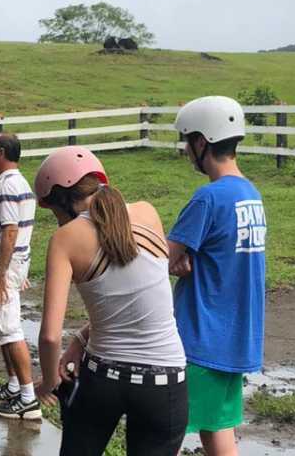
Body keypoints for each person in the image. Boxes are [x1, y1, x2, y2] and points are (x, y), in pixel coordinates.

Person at [33, 146, 188, 456]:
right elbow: (134, 300)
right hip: (164, 379)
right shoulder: (148, 211)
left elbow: (50, 336)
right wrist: (79, 338)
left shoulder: (66, 239)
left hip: (102, 378)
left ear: (62, 200)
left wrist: (50, 381)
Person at [167, 96, 267, 456]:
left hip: (200, 338)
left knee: (165, 431)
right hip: (237, 338)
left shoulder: (208, 198)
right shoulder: (250, 193)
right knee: (218, 430)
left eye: (187, 140)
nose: (186, 149)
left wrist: (177, 257)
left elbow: (165, 259)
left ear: (201, 142)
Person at [0, 134, 41, 420]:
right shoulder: (19, 183)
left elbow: (11, 230)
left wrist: (3, 274)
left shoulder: (7, 185)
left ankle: (28, 398)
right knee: (3, 327)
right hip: (14, 263)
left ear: (1, 152)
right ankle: (15, 385)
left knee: (10, 330)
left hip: (3, 265)